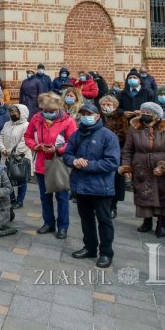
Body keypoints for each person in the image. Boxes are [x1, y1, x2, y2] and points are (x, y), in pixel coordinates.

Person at [64, 102, 120, 268]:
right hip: (81, 185)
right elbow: (67, 154)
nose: (85, 117)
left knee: (104, 220)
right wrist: (74, 161)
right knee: (86, 218)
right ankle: (89, 247)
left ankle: (106, 252)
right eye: (83, 114)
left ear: (97, 116)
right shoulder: (77, 134)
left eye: (89, 114)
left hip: (101, 187)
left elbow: (112, 162)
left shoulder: (108, 136)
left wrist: (88, 165)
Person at [120, 101, 165, 238]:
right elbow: (128, 150)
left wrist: (164, 167)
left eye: (149, 113)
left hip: (160, 168)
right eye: (144, 112)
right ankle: (147, 221)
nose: (146, 115)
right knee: (143, 195)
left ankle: (161, 223)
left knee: (162, 196)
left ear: (157, 116)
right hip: (141, 167)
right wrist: (126, 167)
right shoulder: (134, 128)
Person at [25, 92, 76, 238]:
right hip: (42, 162)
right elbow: (28, 136)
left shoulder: (68, 121)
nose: (47, 114)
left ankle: (63, 226)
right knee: (45, 196)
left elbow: (72, 142)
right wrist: (35, 146)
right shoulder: (36, 118)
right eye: (45, 111)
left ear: (57, 109)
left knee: (62, 197)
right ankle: (48, 223)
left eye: (51, 111)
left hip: (59, 163)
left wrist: (58, 149)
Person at [98, 94, 129, 218]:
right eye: (104, 104)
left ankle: (113, 205)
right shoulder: (97, 116)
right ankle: (102, 204)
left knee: (116, 180)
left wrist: (108, 139)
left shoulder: (121, 117)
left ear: (115, 106)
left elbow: (124, 134)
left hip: (116, 152)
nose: (106, 107)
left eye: (109, 105)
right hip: (98, 152)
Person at [0, 104, 31, 208]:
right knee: (6, 178)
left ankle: (20, 201)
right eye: (10, 112)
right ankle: (11, 199)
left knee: (21, 178)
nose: (12, 114)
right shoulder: (7, 124)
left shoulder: (26, 125)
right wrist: (2, 148)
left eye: (14, 112)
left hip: (20, 157)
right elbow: (1, 136)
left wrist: (10, 151)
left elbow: (24, 142)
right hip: (6, 156)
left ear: (21, 113)